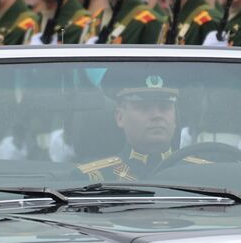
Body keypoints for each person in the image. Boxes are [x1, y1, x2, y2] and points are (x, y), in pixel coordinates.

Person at [76, 71, 207, 181]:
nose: (157, 115)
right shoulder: (93, 179)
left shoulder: (203, 175)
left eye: (165, 107)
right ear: (120, 117)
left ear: (175, 118)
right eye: (144, 107)